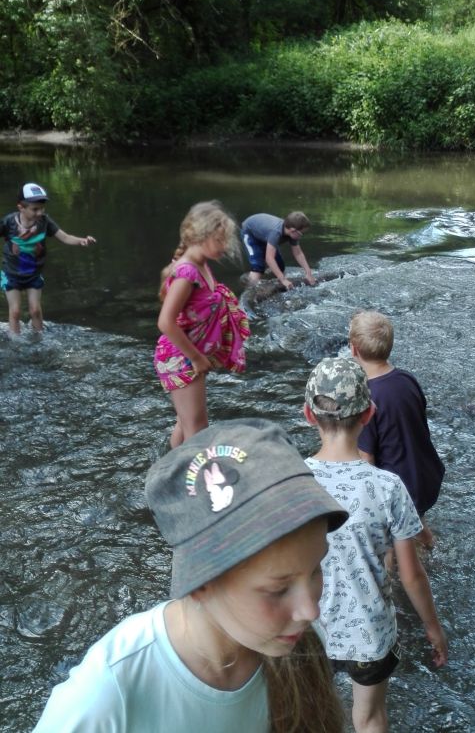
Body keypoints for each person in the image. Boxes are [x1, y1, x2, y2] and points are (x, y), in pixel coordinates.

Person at [33, 418, 349, 733]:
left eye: (315, 569)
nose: (311, 611)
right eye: (278, 589)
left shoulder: (302, 648)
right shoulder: (108, 692)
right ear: (199, 583)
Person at [304, 357, 448, 733]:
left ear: (308, 414)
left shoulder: (293, 482)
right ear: (369, 413)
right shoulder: (387, 486)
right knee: (369, 719)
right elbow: (412, 575)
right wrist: (432, 627)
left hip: (306, 629)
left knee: (312, 714)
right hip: (369, 633)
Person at [154, 201, 250, 446]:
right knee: (198, 428)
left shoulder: (201, 265)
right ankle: (194, 481)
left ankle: (174, 472)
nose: (225, 246)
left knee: (186, 423)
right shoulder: (187, 273)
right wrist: (196, 358)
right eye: (220, 240)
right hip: (181, 357)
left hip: (189, 354)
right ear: (201, 235)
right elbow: (165, 322)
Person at [350, 310, 445, 549]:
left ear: (353, 350)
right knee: (416, 517)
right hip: (425, 475)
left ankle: (392, 582)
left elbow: (366, 457)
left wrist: (367, 502)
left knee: (388, 542)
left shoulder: (366, 397)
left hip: (398, 488)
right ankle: (432, 549)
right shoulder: (407, 380)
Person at [0, 182, 96, 336]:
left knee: (35, 310)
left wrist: (82, 241)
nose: (39, 212)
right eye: (35, 209)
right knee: (16, 311)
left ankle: (39, 339)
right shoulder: (8, 222)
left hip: (33, 274)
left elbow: (64, 237)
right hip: (11, 274)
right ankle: (15, 342)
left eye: (42, 208)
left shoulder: (45, 222)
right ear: (21, 208)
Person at [241, 211, 316, 290]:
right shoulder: (276, 232)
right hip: (250, 233)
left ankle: (277, 282)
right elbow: (269, 258)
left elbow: (298, 253)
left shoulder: (292, 234)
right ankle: (250, 290)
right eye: (301, 234)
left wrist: (308, 273)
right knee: (258, 266)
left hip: (265, 235)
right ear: (292, 230)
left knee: (280, 266)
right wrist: (283, 279)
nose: (301, 236)